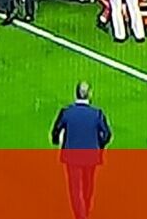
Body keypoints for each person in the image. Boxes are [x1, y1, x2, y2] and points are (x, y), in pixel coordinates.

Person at [51, 82, 112, 219]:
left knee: (75, 189)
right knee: (88, 186)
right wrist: (99, 145)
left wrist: (57, 141)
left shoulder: (67, 112)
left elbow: (55, 131)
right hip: (91, 156)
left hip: (72, 156)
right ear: (89, 94)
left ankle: (81, 215)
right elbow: (107, 134)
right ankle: (85, 212)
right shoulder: (97, 113)